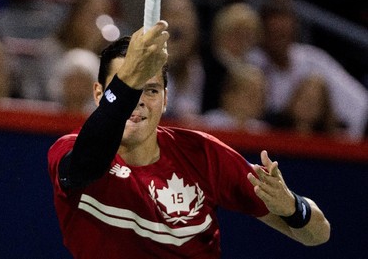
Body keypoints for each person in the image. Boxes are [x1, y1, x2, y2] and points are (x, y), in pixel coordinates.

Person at [48, 21, 330, 259]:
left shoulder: (202, 154)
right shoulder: (70, 150)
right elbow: (87, 163)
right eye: (128, 88)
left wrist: (294, 207)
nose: (138, 102)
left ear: (166, 99)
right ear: (99, 94)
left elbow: (318, 234)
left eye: (151, 91)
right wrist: (127, 81)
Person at [246, 0, 368, 141]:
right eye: (274, 33)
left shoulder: (313, 61)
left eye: (284, 34)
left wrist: (347, 146)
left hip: (313, 147)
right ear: (262, 33)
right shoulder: (251, 63)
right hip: (265, 144)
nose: (280, 40)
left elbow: (360, 105)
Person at [269, 74, 347, 137]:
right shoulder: (273, 127)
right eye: (304, 99)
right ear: (294, 99)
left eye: (314, 102)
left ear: (324, 108)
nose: (307, 106)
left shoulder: (332, 136)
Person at [202, 64, 270, 133]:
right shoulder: (210, 124)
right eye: (251, 93)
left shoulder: (261, 130)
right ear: (229, 94)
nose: (257, 99)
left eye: (261, 94)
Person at [46, 48, 100, 115]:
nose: (77, 86)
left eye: (83, 82)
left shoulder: (102, 120)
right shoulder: (47, 115)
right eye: (72, 81)